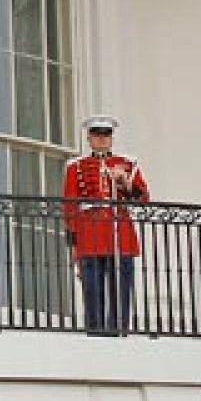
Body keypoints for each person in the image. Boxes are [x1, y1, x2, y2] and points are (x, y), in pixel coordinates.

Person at [62, 114, 149, 335]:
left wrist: (124, 182)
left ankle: (119, 331)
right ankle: (96, 332)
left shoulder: (128, 164)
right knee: (92, 289)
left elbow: (143, 199)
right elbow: (70, 207)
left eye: (106, 135)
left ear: (111, 138)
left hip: (121, 233)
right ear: (89, 138)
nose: (101, 139)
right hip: (89, 234)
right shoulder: (75, 167)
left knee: (121, 287)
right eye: (96, 135)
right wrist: (73, 244)